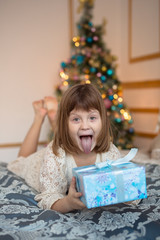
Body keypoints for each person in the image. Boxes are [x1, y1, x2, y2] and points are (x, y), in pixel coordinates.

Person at [8, 83, 131, 213]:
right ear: (65, 123)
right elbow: (48, 197)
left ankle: (54, 115)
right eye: (76, 119)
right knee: (21, 161)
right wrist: (68, 203)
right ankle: (39, 117)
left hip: (61, 148)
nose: (85, 126)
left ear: (103, 120)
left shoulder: (110, 152)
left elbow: (125, 186)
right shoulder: (56, 155)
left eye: (92, 118)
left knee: (70, 136)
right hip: (38, 164)